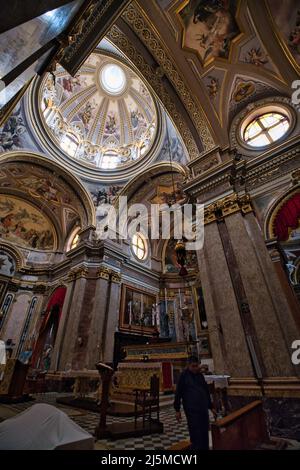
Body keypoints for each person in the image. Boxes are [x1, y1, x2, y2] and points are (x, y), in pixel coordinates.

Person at [174, 355, 216, 450]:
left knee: (204, 431)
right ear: (188, 365)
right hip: (191, 409)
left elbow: (205, 391)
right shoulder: (183, 376)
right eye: (193, 366)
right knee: (195, 432)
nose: (195, 368)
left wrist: (211, 406)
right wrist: (177, 410)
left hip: (203, 408)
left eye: (196, 366)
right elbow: (178, 393)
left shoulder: (199, 375)